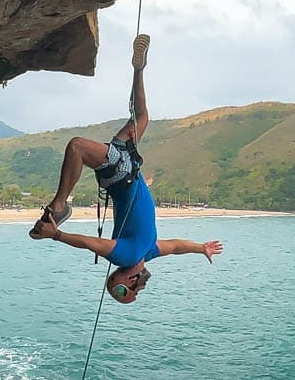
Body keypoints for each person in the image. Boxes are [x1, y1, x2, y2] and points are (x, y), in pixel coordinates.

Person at [30, 34, 224, 303]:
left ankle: (59, 206)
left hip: (120, 176)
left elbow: (90, 244)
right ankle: (139, 68)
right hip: (128, 166)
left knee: (77, 147)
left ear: (122, 278)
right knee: (142, 117)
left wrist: (57, 235)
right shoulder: (149, 252)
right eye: (125, 293)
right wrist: (201, 247)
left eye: (120, 291)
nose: (131, 289)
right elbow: (177, 246)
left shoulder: (124, 256)